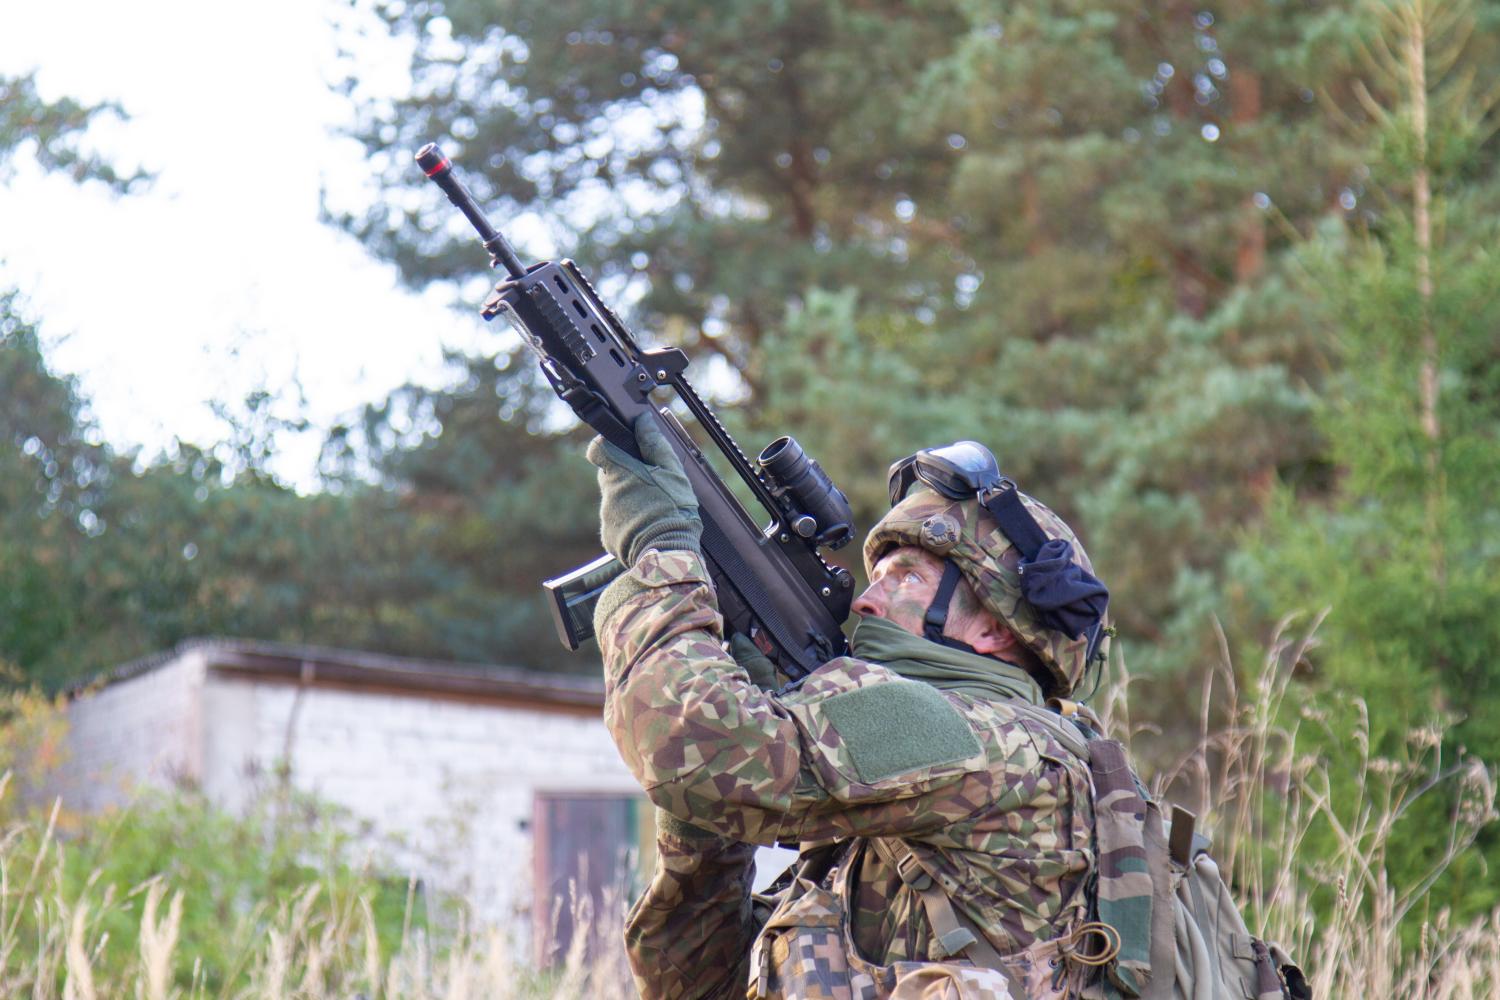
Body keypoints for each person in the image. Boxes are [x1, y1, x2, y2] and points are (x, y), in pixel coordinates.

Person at [588, 421, 1115, 1000]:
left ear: (993, 627)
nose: (865, 599)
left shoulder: (987, 739)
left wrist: (661, 547)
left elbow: (685, 745)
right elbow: (694, 986)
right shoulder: (901, 802)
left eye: (907, 577)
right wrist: (707, 828)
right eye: (874, 576)